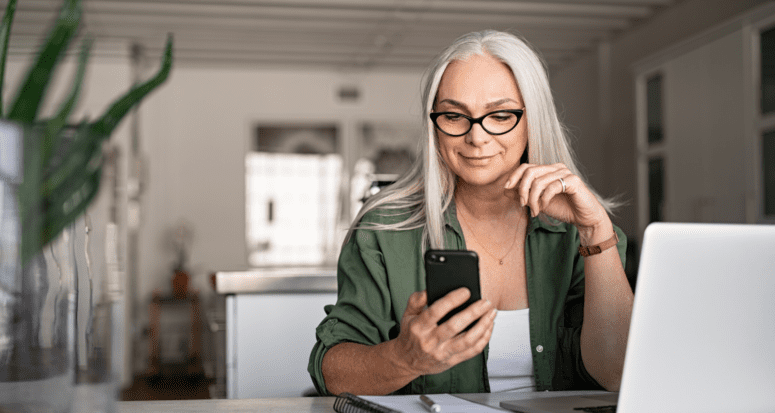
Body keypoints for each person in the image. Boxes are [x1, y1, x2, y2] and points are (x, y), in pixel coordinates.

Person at [308, 30, 634, 396]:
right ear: (435, 126)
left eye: (499, 115)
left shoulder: (584, 234)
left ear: (532, 119)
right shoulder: (383, 229)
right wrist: (405, 358)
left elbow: (618, 373)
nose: (476, 137)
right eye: (454, 115)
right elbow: (331, 373)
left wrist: (595, 232)